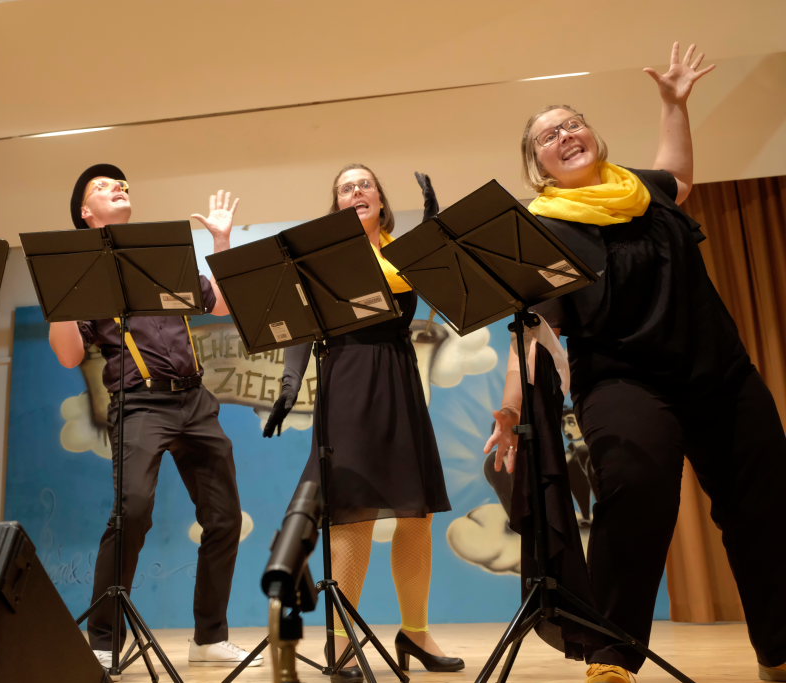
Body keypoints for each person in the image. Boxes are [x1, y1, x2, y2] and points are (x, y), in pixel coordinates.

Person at [484, 43, 786, 683]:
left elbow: (679, 175)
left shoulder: (641, 190)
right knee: (635, 495)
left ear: (593, 134)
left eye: (572, 124)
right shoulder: (542, 231)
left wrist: (674, 104)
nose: (565, 136)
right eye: (547, 137)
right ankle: (612, 659)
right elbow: (533, 331)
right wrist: (510, 408)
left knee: (765, 507)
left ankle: (779, 651)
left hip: (719, 372)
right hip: (623, 380)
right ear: (538, 167)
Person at [48, 163, 258, 672]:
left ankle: (209, 637)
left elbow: (220, 305)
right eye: (103, 187)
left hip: (195, 400)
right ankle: (103, 639)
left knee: (225, 518)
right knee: (134, 511)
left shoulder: (160, 255)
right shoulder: (80, 271)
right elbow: (69, 356)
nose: (117, 187)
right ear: (85, 212)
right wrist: (59, 296)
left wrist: (221, 241)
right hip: (139, 403)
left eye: (121, 183)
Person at [266, 164, 463, 679]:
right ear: (337, 205)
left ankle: (415, 634)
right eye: (346, 187)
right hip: (349, 378)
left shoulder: (403, 256)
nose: (357, 191)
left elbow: (452, 292)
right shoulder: (320, 261)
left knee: (416, 513)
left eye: (365, 184)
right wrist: (289, 385)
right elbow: (301, 326)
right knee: (352, 513)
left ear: (380, 199)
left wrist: (435, 234)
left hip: (399, 377)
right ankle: (342, 642)